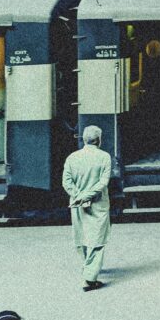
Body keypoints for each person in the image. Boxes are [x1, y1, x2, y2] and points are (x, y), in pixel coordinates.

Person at [62, 125, 112, 291]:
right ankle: (90, 279)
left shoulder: (72, 158)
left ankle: (87, 266)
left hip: (77, 204)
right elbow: (103, 182)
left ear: (83, 140)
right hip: (98, 204)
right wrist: (87, 196)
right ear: (99, 140)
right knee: (97, 240)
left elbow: (66, 182)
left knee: (81, 236)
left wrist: (78, 195)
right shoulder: (104, 157)